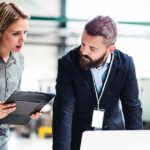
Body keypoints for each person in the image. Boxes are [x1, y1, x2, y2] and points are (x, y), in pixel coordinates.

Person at [52, 15, 143, 150]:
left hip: (113, 140)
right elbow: (63, 111)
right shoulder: (68, 63)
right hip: (80, 139)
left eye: (92, 48)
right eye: (83, 43)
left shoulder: (126, 65)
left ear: (110, 49)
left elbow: (132, 108)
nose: (83, 51)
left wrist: (136, 146)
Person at [0, 2, 41, 149]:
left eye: (25, 32)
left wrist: (27, 111)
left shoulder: (19, 59)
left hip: (3, 140)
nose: (23, 39)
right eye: (16, 33)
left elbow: (14, 100)